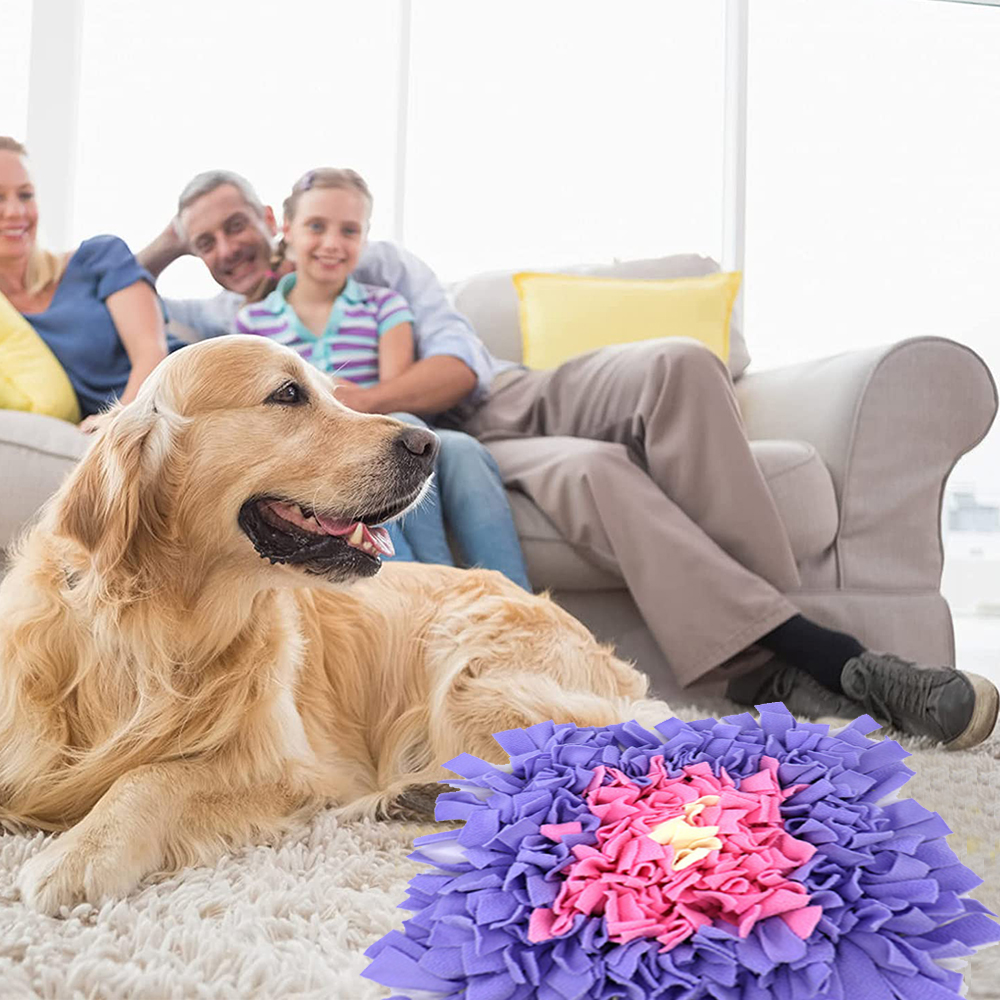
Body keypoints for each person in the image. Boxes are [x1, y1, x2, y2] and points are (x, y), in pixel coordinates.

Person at [138, 170, 999, 748]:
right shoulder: (225, 328)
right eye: (203, 244)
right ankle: (825, 659)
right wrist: (167, 247)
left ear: (270, 217)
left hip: (507, 395)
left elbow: (457, 365)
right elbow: (116, 295)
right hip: (471, 449)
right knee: (595, 476)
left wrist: (365, 402)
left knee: (681, 363)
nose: (226, 251)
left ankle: (779, 650)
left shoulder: (369, 263)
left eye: (233, 227)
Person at [226, 167, 530, 588]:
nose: (332, 243)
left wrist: (360, 405)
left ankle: (517, 597)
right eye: (317, 226)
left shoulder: (384, 305)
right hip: (318, 451)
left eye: (349, 231)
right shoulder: (252, 322)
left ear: (365, 240)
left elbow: (394, 398)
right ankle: (428, 588)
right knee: (415, 440)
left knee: (463, 450)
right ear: (289, 231)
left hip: (383, 426)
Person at [0, 137, 181, 431]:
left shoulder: (98, 256)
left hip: (182, 394)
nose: (15, 212)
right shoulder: (8, 327)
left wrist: (119, 418)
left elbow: (152, 351)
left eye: (25, 195)